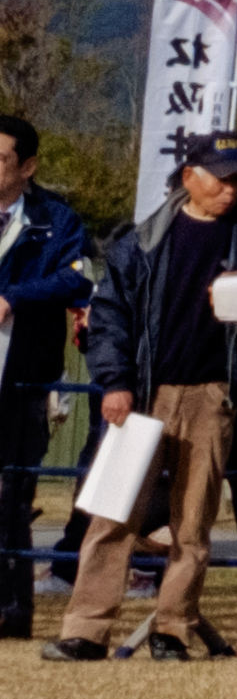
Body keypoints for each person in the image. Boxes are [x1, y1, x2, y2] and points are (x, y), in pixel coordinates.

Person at [45, 131, 237, 660]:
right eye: (222, 179)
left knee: (193, 523)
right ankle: (86, 629)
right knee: (112, 516)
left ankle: (172, 629)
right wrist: (115, 383)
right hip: (142, 396)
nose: (231, 190)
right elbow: (109, 317)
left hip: (213, 395)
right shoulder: (141, 241)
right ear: (189, 178)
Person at [0, 115, 94, 641]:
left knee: (13, 490)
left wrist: (15, 296)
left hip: (24, 376)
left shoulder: (54, 219)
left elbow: (76, 276)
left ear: (28, 166)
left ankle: (11, 610)